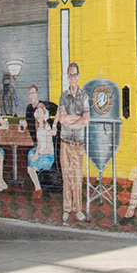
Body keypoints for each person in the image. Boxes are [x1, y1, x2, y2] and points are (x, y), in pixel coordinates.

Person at [55, 62, 90, 222]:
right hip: (65, 143)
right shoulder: (64, 96)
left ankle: (77, 210)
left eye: (75, 75)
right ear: (68, 77)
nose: (73, 78)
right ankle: (67, 209)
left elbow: (86, 119)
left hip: (78, 145)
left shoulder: (84, 97)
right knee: (66, 177)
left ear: (78, 76)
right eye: (70, 75)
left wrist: (72, 122)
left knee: (77, 178)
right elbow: (62, 118)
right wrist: (77, 119)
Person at [26, 104, 56, 198]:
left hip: (48, 156)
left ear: (44, 115)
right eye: (37, 113)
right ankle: (38, 188)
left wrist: (37, 155)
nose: (38, 115)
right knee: (30, 158)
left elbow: (47, 148)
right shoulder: (38, 127)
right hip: (41, 153)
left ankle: (38, 188)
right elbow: (39, 145)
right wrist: (36, 154)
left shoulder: (47, 128)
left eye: (40, 113)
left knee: (31, 168)